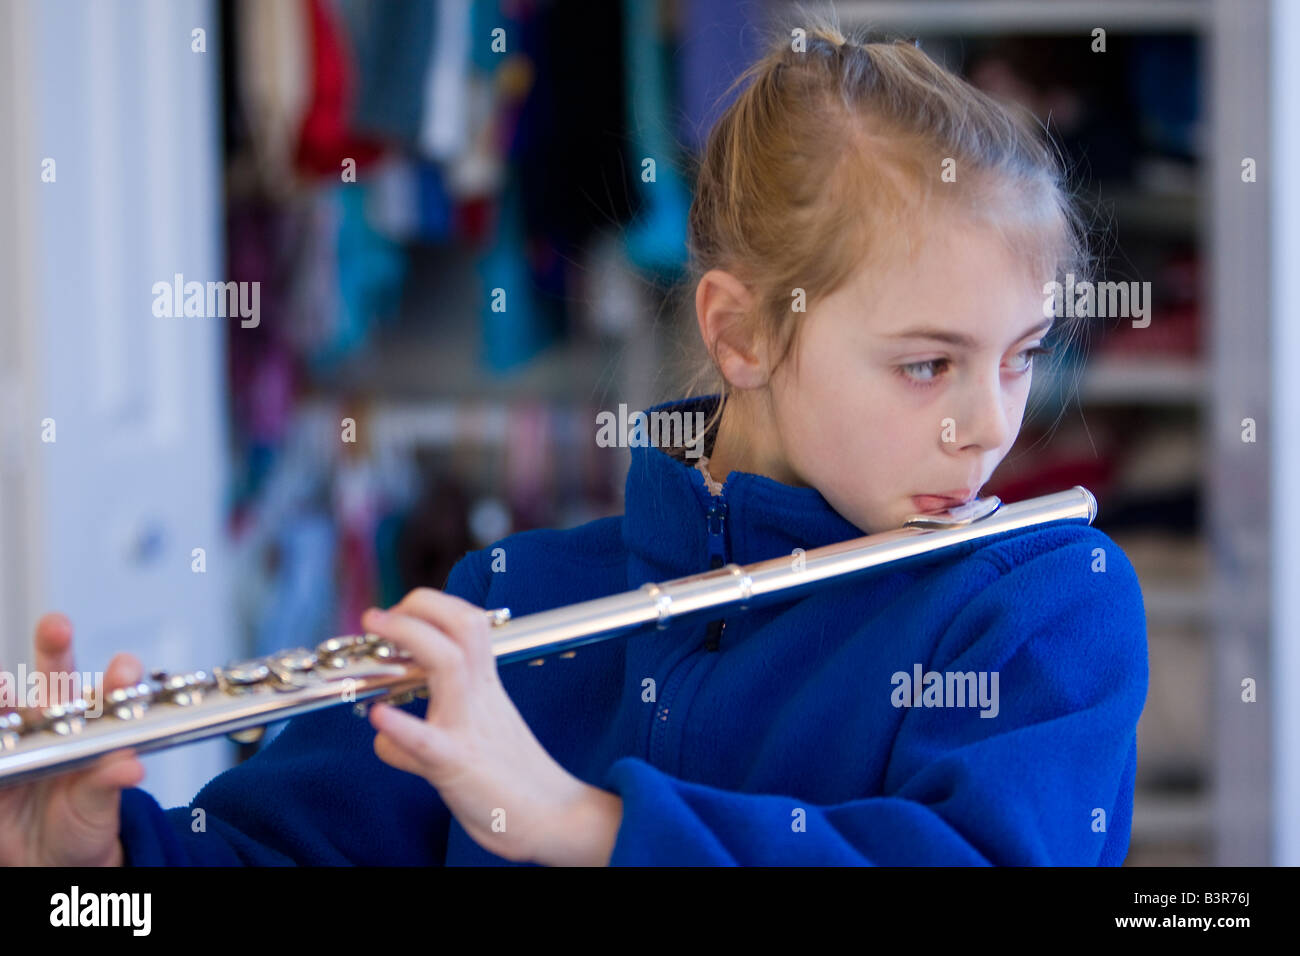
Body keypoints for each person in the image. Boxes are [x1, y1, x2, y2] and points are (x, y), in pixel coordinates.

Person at [0, 15, 1147, 866]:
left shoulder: (1044, 603)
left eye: (1019, 353)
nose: (989, 423)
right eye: (924, 364)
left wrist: (582, 825)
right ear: (739, 332)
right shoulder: (517, 599)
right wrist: (86, 867)